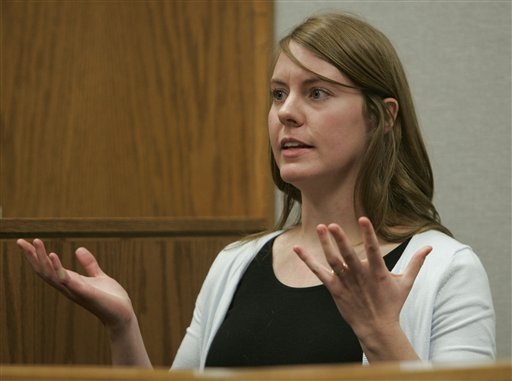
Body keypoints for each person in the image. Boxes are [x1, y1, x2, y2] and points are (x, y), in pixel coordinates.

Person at [17, 12, 495, 370]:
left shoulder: (445, 270)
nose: (286, 112)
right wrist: (123, 326)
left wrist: (380, 333)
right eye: (278, 93)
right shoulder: (235, 263)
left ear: (382, 116)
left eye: (317, 93)